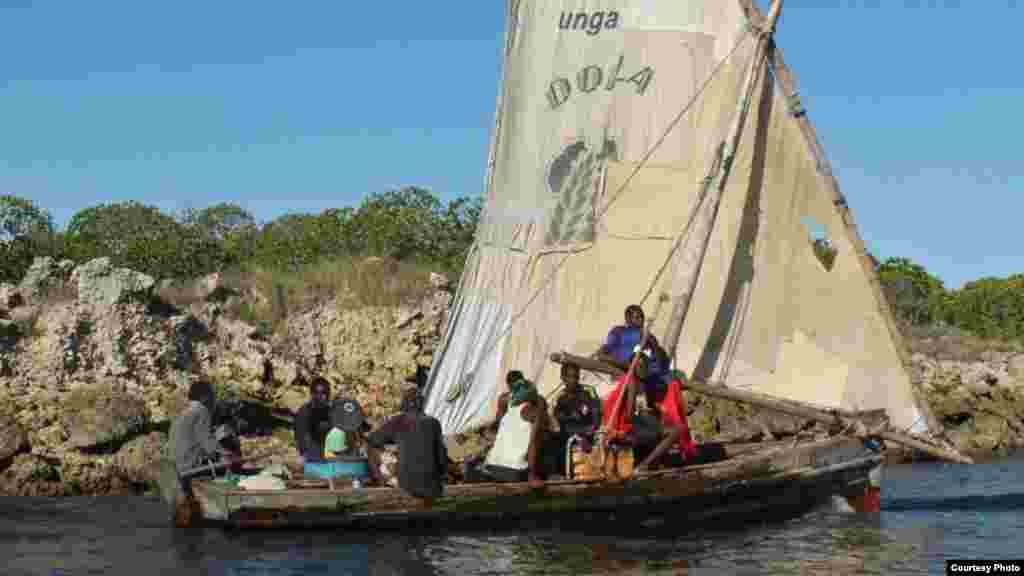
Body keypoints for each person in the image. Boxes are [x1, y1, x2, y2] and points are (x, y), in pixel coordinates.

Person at [601, 349, 698, 472]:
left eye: (645, 366)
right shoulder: (632, 382)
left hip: (620, 427)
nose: (643, 369)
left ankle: (652, 464)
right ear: (633, 366)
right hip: (622, 430)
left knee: (658, 424)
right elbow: (629, 417)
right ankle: (645, 465)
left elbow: (650, 404)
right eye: (641, 366)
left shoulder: (633, 380)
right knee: (677, 430)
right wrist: (645, 420)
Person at [162, 379, 234, 525]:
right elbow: (207, 442)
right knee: (228, 450)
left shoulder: (183, 412)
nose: (215, 401)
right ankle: (225, 503)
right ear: (205, 397)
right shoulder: (202, 411)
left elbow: (195, 441)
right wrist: (226, 453)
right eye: (213, 396)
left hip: (176, 467)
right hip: (189, 468)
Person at [472, 376, 556, 484]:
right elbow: (533, 443)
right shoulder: (534, 414)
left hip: (491, 467)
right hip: (514, 471)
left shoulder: (508, 411)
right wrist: (532, 475)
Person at [367, 388, 448, 500]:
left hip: (408, 486)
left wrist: (379, 476)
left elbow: (372, 440)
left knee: (372, 447)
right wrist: (441, 477)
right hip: (433, 486)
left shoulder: (398, 421)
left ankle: (380, 481)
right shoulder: (434, 423)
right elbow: (441, 455)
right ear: (422, 404)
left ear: (404, 404)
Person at [550, 363, 601, 473]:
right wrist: (577, 434)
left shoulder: (588, 391)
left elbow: (596, 414)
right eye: (569, 377)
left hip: (589, 432)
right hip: (570, 434)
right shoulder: (559, 397)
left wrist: (591, 431)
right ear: (563, 378)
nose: (573, 380)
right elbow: (557, 421)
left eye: (576, 377)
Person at [293, 376, 333, 463]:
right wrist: (305, 454)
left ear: (328, 394)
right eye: (316, 393)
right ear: (312, 394)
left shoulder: (332, 411)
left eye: (323, 393)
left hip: (329, 451)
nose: (320, 396)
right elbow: (300, 436)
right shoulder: (305, 411)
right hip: (311, 452)